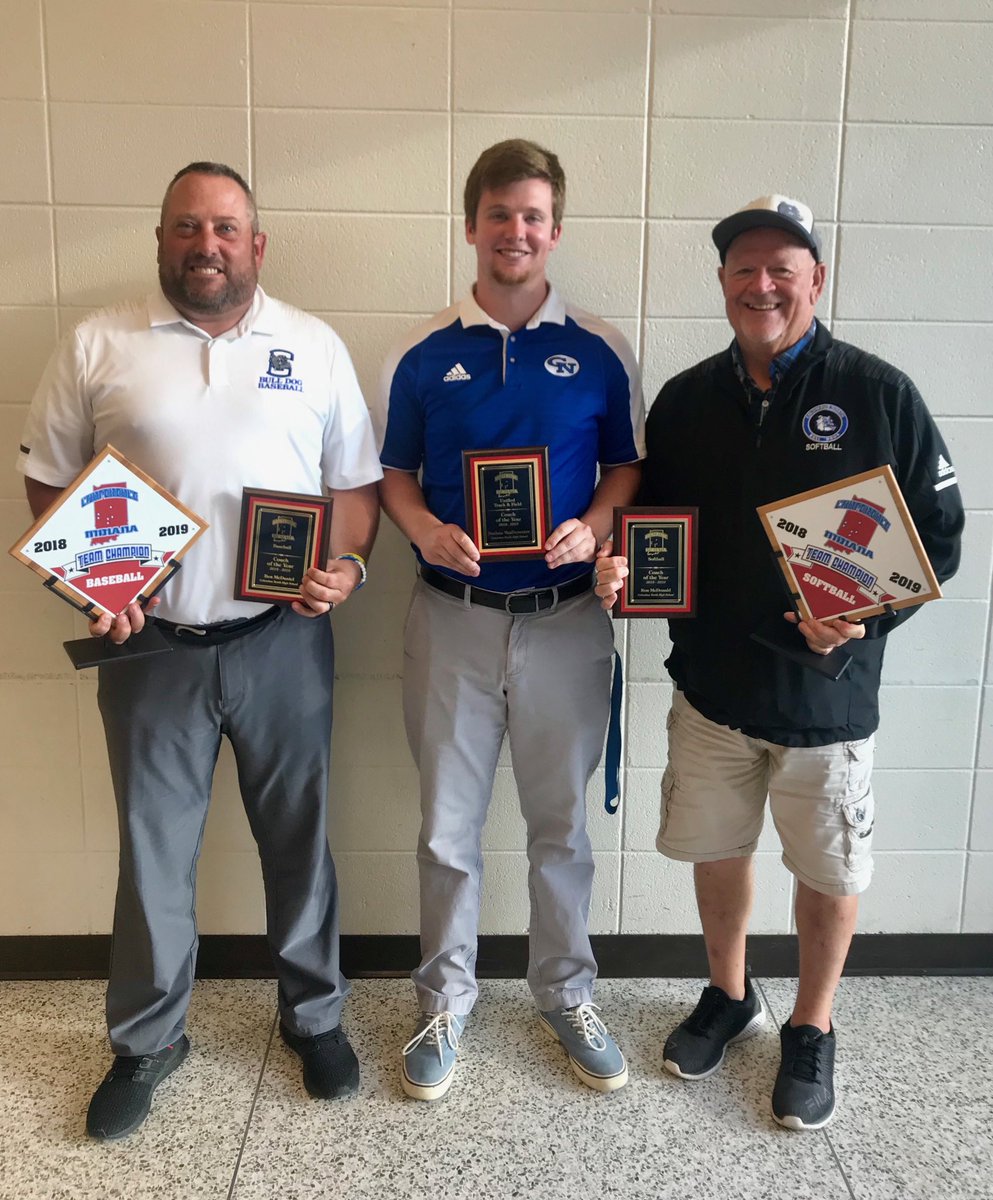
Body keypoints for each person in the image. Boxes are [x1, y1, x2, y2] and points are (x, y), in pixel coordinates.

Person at [17, 162, 382, 1140]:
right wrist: (91, 582)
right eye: (187, 227)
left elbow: (354, 485)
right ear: (162, 240)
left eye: (225, 228)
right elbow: (48, 479)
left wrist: (344, 565)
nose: (206, 244)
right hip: (152, 653)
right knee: (153, 850)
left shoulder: (312, 344)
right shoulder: (101, 341)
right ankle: (146, 1040)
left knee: (299, 837)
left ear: (256, 245)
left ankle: (314, 1017)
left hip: (283, 642)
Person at [595, 195, 964, 1131]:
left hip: (824, 694)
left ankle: (811, 1023)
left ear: (814, 281)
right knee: (716, 851)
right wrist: (620, 568)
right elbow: (656, 530)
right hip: (712, 687)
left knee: (828, 869)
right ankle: (728, 994)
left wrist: (862, 619)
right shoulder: (685, 400)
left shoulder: (879, 394)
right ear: (723, 283)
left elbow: (938, 536)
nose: (761, 285)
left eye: (780, 270)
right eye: (742, 270)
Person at [376, 139, 645, 1100]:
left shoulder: (602, 347)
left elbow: (625, 466)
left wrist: (595, 524)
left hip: (566, 619)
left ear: (555, 230)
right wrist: (421, 532)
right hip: (450, 615)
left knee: (559, 828)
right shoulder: (422, 350)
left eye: (533, 216)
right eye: (499, 215)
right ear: (471, 227)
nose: (515, 231)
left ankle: (564, 992)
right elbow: (394, 477)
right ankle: (443, 1000)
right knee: (446, 831)